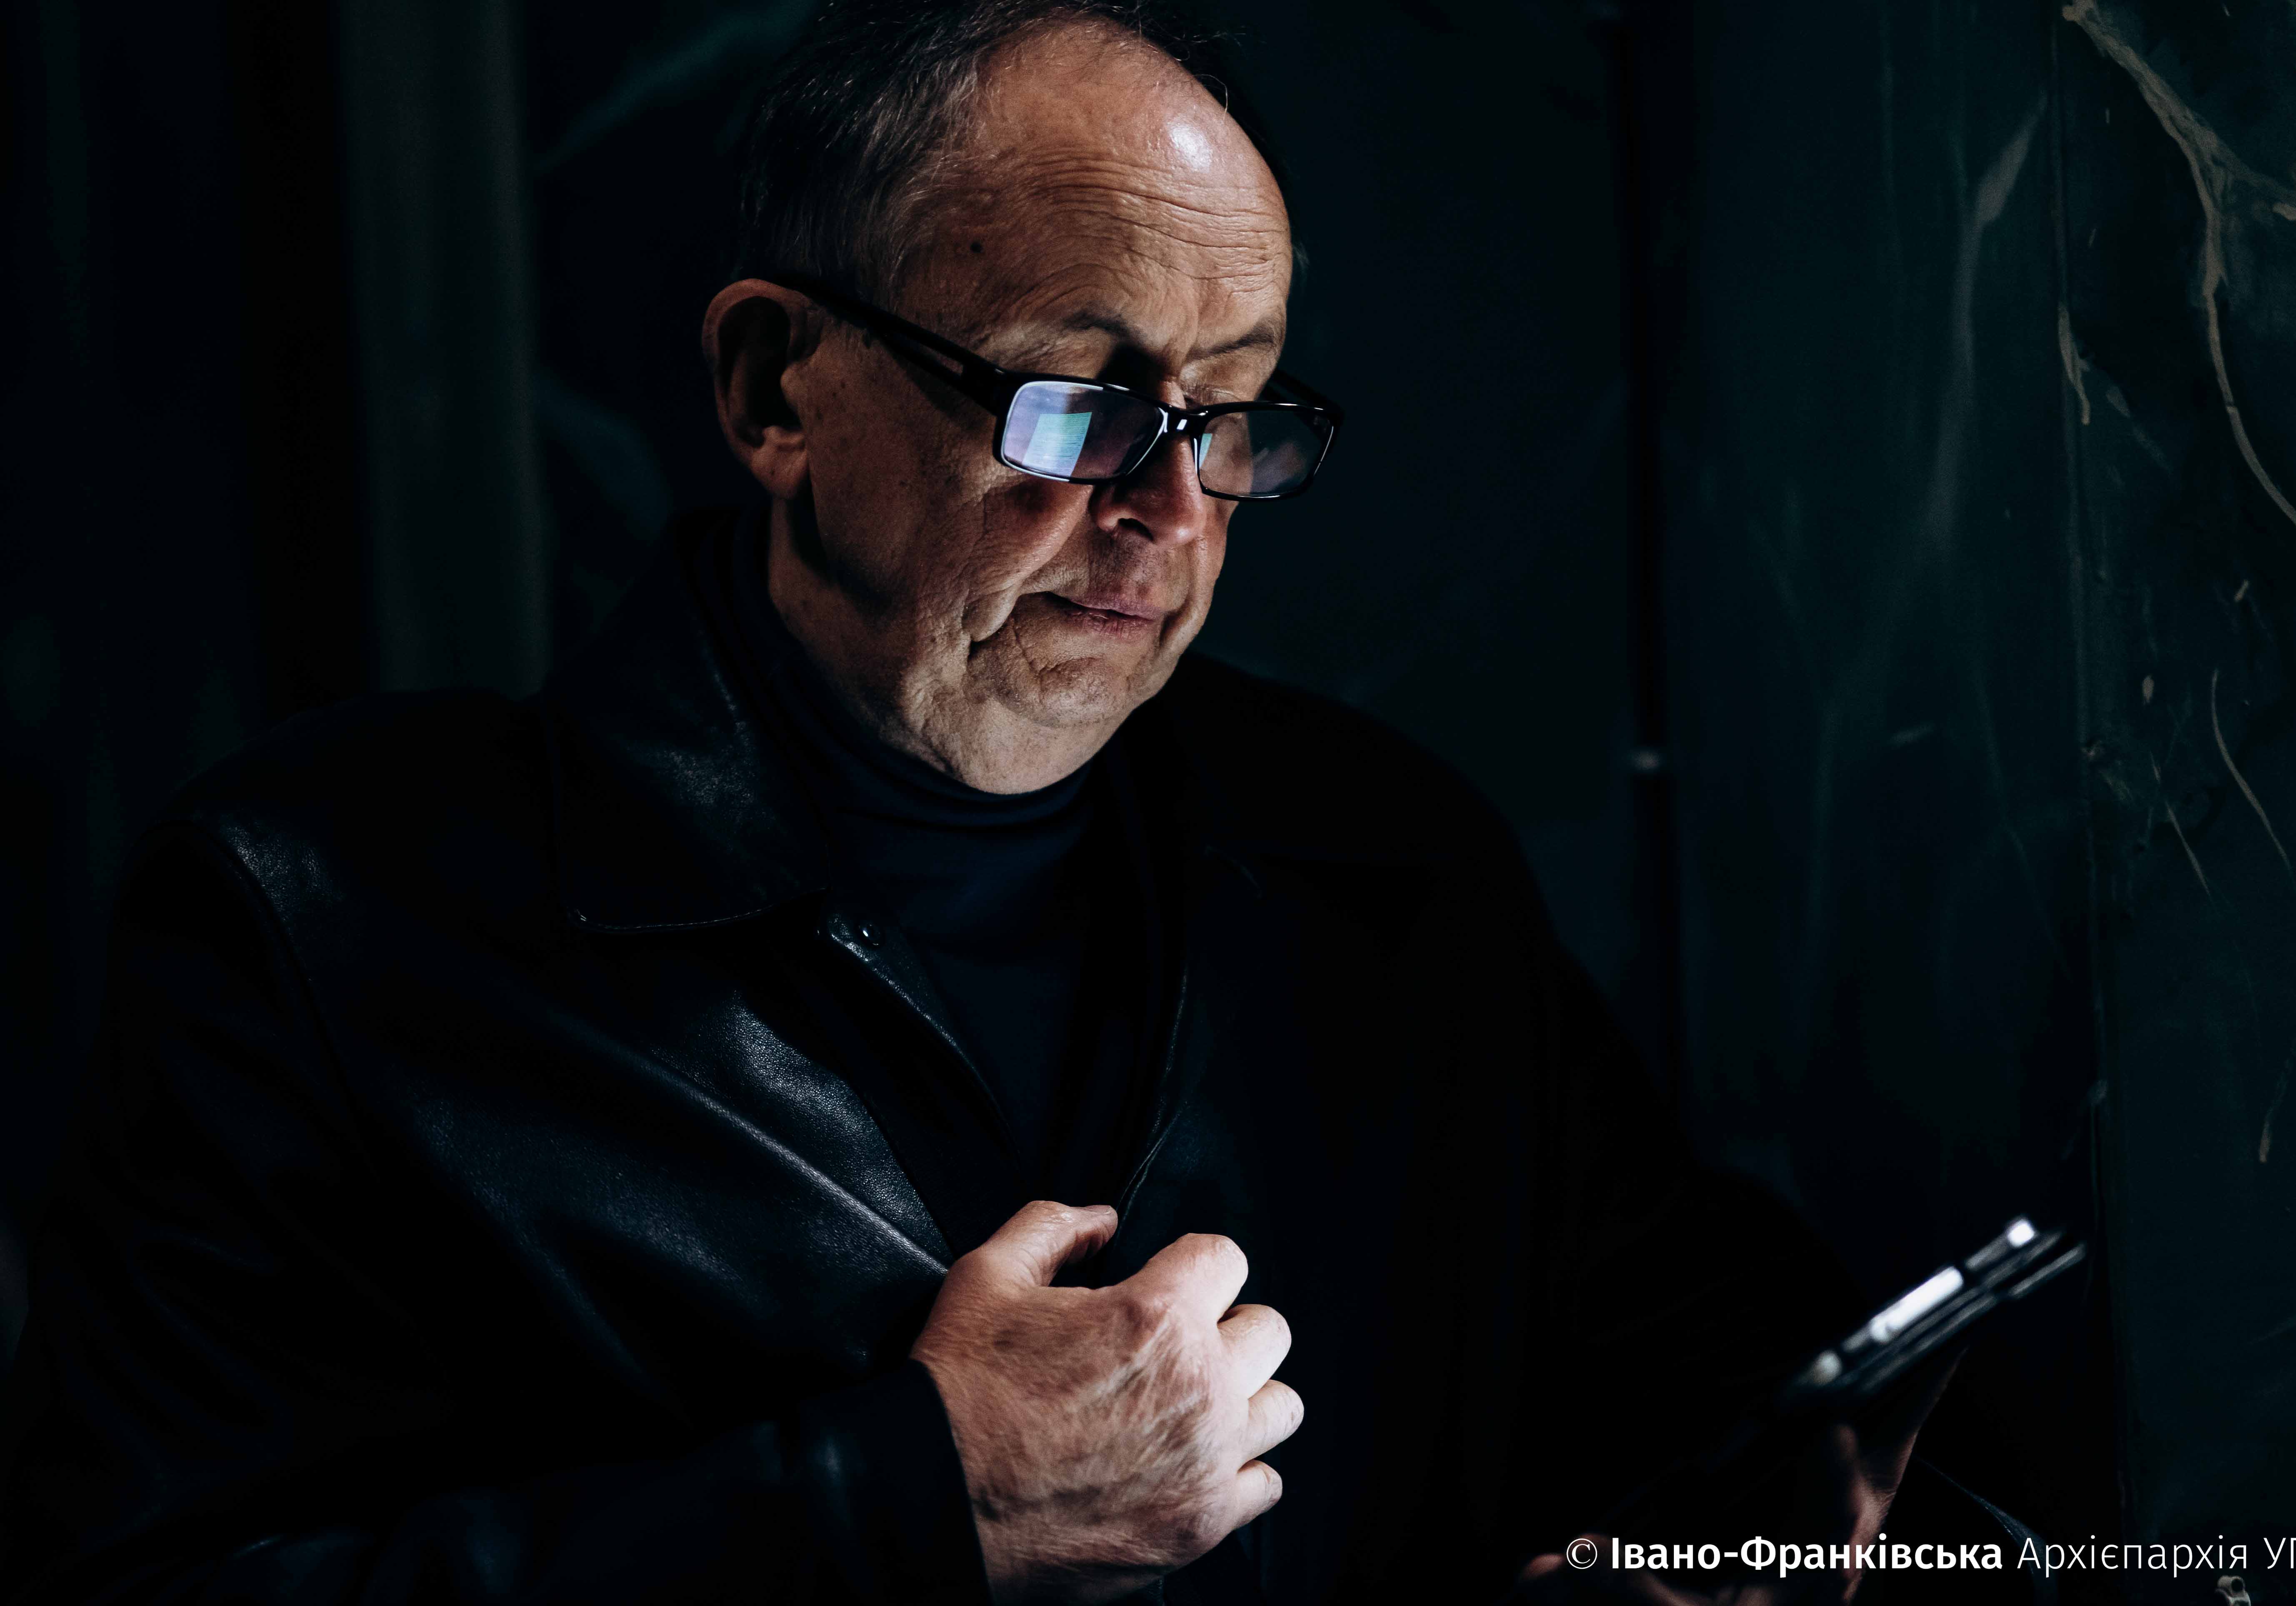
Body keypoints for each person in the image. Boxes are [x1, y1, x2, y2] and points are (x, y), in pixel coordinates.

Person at [0, 3, 1942, 1601]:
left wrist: (1725, 1539)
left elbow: (1693, 1375)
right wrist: (904, 1504)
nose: (1172, 516)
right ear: (777, 389)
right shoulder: (322, 926)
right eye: (1078, 405)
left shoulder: (1389, 870)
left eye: (1232, 415)